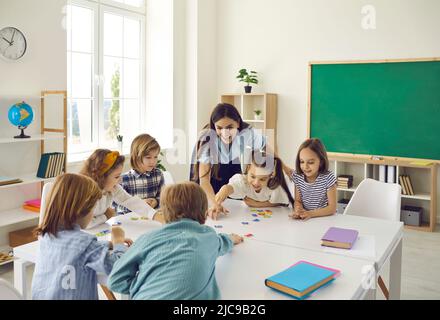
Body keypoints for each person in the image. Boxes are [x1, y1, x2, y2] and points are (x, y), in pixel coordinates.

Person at [107, 182, 243, 300]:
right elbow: (223, 242)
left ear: (163, 212)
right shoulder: (209, 237)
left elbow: (115, 281)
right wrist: (231, 238)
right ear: (204, 212)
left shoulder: (146, 239)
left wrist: (147, 285)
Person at [31, 173, 132, 300]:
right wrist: (118, 240)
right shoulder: (85, 243)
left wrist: (107, 244)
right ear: (82, 210)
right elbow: (118, 267)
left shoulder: (46, 235)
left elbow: (73, 251)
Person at [190, 103, 268, 218]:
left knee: (237, 212)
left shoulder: (245, 130)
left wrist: (285, 168)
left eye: (230, 127)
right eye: (219, 128)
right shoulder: (206, 139)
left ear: (238, 123)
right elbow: (204, 181)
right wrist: (215, 203)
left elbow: (266, 146)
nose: (225, 133)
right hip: (207, 187)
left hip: (229, 175)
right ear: (214, 126)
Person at [80, 149, 163, 228]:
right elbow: (84, 224)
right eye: (116, 177)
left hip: (99, 228)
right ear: (101, 177)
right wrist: (106, 216)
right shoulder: (86, 193)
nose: (120, 180)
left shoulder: (113, 188)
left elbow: (133, 203)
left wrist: (159, 218)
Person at [215, 151, 294, 218]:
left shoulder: (274, 185)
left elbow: (281, 202)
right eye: (253, 176)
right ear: (248, 168)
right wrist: (225, 189)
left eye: (262, 179)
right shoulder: (243, 181)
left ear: (271, 175)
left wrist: (257, 204)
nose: (256, 183)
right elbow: (233, 187)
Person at [289, 138, 337, 220]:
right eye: (302, 162)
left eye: (310, 162)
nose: (305, 167)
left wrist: (310, 213)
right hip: (307, 220)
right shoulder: (298, 176)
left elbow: (332, 208)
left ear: (321, 161)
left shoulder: (328, 178)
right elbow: (298, 201)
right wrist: (298, 210)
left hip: (325, 219)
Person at [116, 133, 164, 214]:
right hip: (132, 221)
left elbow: (163, 198)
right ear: (136, 157)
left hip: (152, 218)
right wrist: (138, 205)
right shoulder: (124, 179)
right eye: (148, 157)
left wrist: (156, 201)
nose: (152, 161)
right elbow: (117, 206)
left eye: (155, 157)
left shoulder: (158, 175)